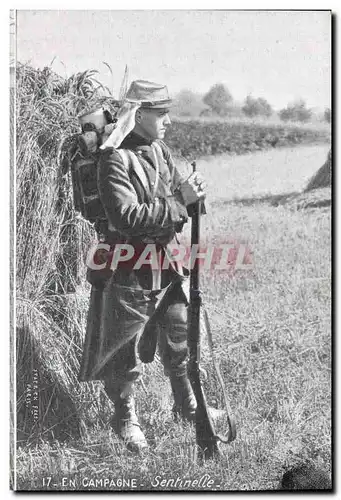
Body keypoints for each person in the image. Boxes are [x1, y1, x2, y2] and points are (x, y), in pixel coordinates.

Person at [78, 80, 206, 453]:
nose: (167, 120)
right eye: (161, 113)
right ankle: (125, 417)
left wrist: (194, 196)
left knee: (180, 333)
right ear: (138, 115)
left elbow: (179, 194)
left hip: (166, 260)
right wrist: (181, 200)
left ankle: (187, 405)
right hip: (127, 265)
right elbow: (126, 218)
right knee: (125, 347)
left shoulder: (160, 150)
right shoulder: (113, 159)